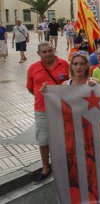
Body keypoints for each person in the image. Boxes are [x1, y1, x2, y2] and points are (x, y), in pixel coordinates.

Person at [27, 42, 69, 183]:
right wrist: (44, 97)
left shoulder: (64, 65)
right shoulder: (33, 68)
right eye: (44, 52)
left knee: (64, 139)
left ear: (54, 50)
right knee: (44, 141)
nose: (48, 54)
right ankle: (46, 167)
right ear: (39, 54)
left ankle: (64, 166)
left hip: (62, 109)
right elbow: (30, 88)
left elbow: (72, 85)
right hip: (42, 110)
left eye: (50, 50)